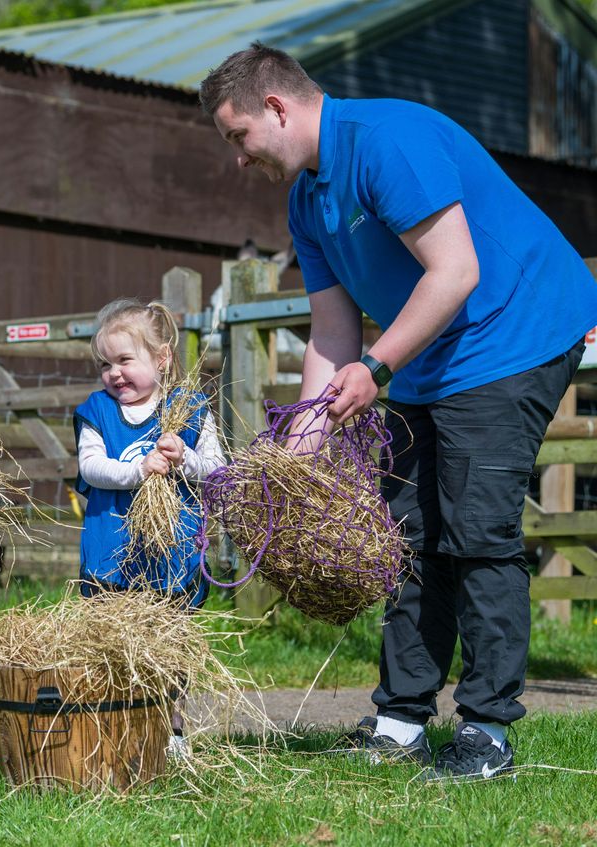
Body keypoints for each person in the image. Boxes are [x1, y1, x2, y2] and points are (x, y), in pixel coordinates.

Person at [200, 42, 597, 780]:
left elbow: (457, 271)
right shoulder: (306, 198)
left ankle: (487, 730)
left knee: (475, 525)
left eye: (238, 136)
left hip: (512, 331)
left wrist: (378, 369)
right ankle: (402, 717)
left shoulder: (387, 141)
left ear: (277, 107)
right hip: (429, 353)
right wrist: (305, 438)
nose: (237, 158)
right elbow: (331, 329)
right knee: (407, 535)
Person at [73, 298, 226, 757]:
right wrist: (138, 470)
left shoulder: (190, 409)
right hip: (112, 550)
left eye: (124, 360)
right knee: (111, 643)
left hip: (172, 552)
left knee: (171, 644)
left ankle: (171, 728)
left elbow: (218, 472)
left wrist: (185, 460)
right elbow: (91, 467)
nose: (114, 373)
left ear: (161, 359)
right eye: (105, 364)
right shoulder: (97, 411)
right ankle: (115, 724)